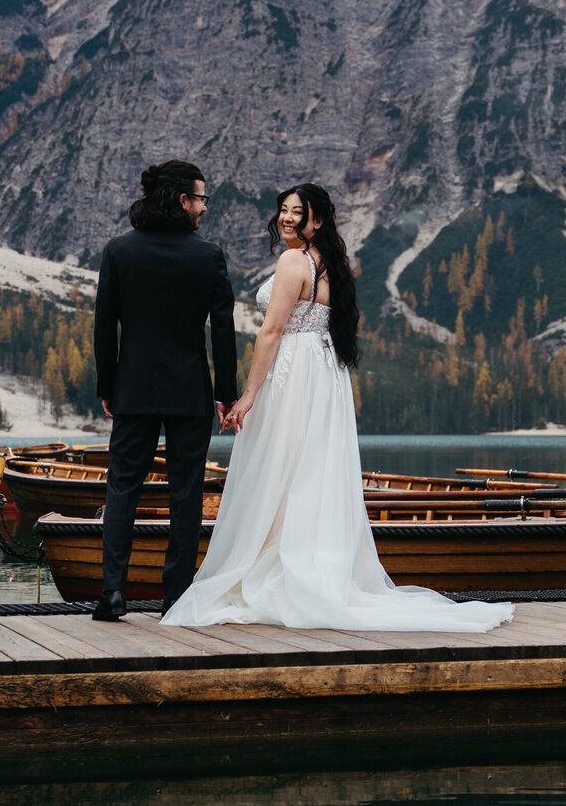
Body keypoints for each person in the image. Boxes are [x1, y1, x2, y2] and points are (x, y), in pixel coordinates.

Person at [160, 182, 512, 632]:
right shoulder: (331, 264)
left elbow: (271, 333)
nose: (287, 218)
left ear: (318, 221)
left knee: (281, 468)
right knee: (311, 471)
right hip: (323, 374)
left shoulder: (292, 261)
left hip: (293, 373)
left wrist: (247, 395)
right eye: (283, 211)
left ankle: (277, 571)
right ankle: (312, 565)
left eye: (297, 213)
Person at [93, 159, 237, 621]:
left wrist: (107, 385)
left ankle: (113, 593)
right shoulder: (208, 255)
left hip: (133, 386)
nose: (204, 209)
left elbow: (104, 326)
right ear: (182, 200)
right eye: (201, 199)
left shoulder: (119, 251)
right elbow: (223, 331)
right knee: (186, 492)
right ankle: (174, 597)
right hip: (189, 389)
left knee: (122, 489)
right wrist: (225, 393)